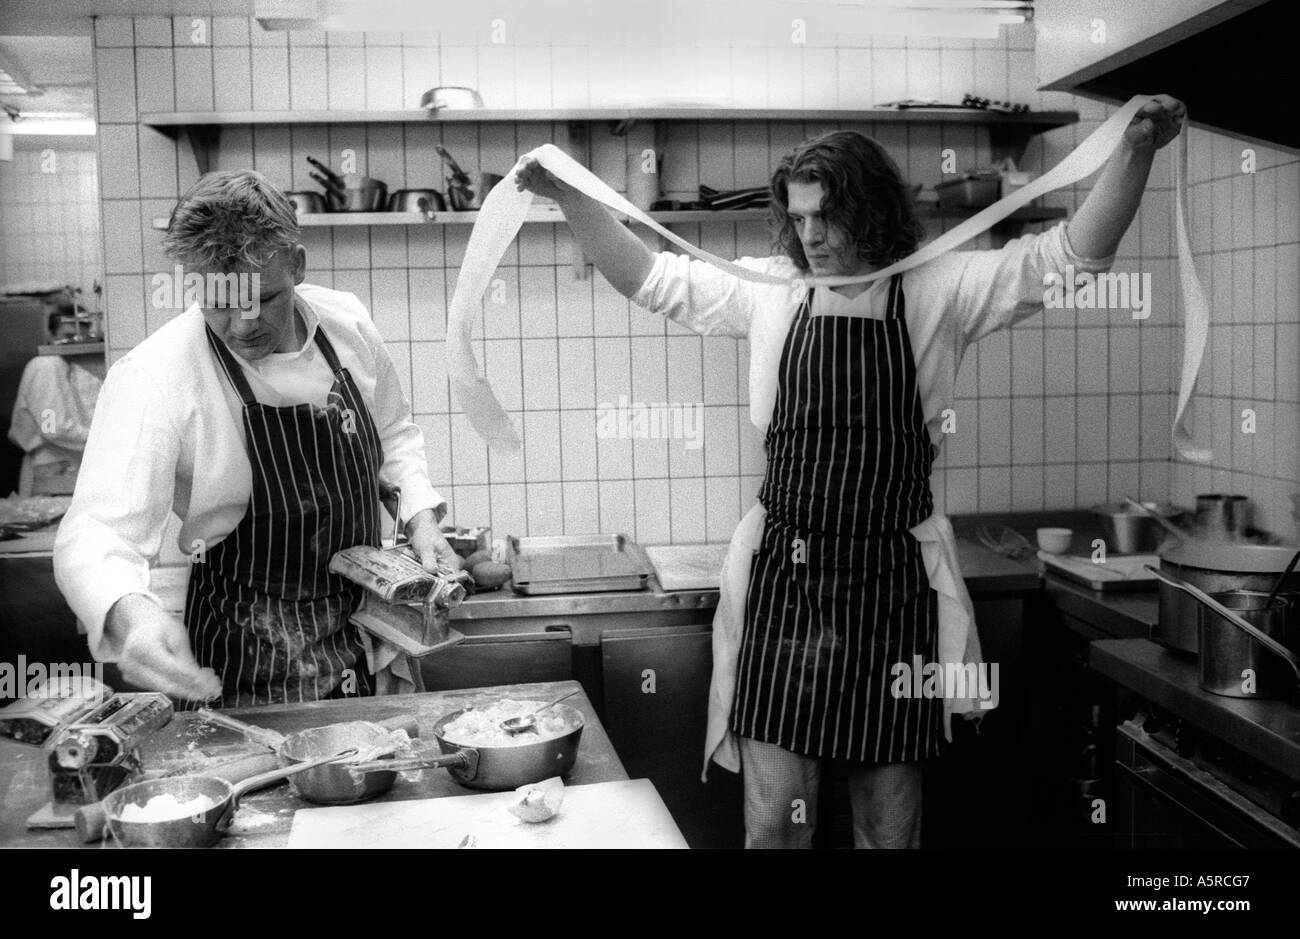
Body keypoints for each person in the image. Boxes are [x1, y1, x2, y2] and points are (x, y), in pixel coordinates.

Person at [517, 95, 1187, 847]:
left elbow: (1069, 260)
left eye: (826, 219)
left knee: (887, 830)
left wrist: (1134, 153)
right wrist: (573, 196)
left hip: (890, 590)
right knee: (773, 823)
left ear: (870, 211)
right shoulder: (772, 291)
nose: (810, 238)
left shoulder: (940, 289)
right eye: (798, 219)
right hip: (786, 587)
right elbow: (647, 276)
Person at [55, 170, 460, 707]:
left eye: (265, 298)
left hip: (363, 626)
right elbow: (98, 531)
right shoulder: (156, 375)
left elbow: (394, 435)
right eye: (219, 301)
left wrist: (420, 517)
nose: (243, 324)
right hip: (245, 654)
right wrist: (133, 619)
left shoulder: (348, 326)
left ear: (296, 263)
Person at [7, 305, 104, 496]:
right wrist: (102, 439)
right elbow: (52, 427)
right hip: (52, 466)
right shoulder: (46, 366)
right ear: (51, 335)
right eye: (68, 335)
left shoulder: (71, 366)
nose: (75, 341)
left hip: (68, 465)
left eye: (81, 335)